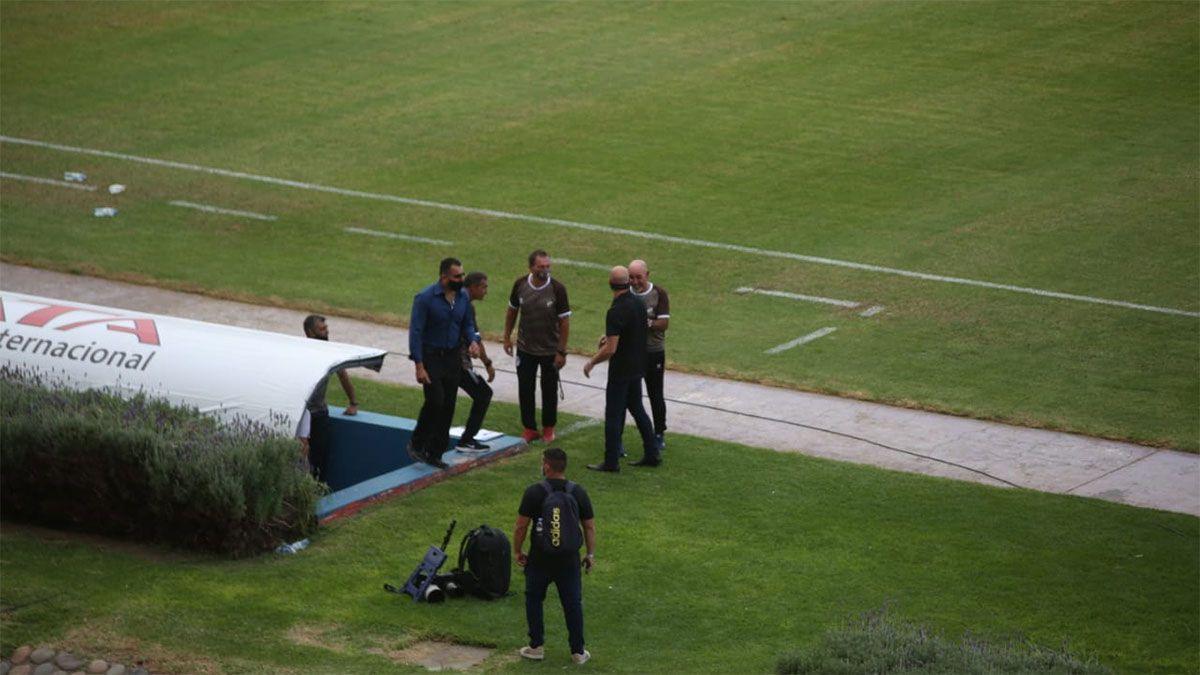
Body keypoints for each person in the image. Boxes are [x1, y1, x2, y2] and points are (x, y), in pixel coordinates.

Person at [513, 447, 595, 665]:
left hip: (540, 558)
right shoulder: (578, 492)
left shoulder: (534, 492)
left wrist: (517, 551)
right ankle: (578, 652)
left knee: (534, 599)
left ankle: (536, 647)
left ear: (547, 466)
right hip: (569, 559)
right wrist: (590, 554)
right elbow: (589, 527)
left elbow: (521, 527)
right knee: (572, 604)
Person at [582, 266, 661, 471]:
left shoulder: (616, 310)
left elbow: (611, 349)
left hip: (621, 371)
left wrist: (591, 362)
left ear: (610, 284)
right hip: (637, 367)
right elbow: (631, 330)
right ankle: (652, 452)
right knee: (638, 410)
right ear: (628, 282)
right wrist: (608, 335)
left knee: (613, 416)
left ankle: (611, 461)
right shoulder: (638, 303)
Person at [408, 257, 481, 469]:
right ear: (444, 277)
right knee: (436, 401)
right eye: (457, 276)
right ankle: (417, 442)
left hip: (452, 357)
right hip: (431, 357)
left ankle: (435, 452)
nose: (462, 279)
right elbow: (416, 332)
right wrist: (419, 365)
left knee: (448, 405)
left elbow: (466, 324)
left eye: (462, 275)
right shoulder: (425, 298)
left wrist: (473, 342)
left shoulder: (462, 299)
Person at [503, 249, 571, 444]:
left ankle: (549, 427)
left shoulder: (558, 289)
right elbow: (512, 311)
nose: (545, 270)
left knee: (549, 389)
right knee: (525, 388)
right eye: (541, 267)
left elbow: (564, 322)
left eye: (548, 266)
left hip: (550, 350)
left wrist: (561, 351)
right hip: (525, 348)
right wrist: (507, 337)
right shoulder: (520, 284)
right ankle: (529, 428)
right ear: (531, 267)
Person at [297, 314, 359, 481]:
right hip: (301, 414)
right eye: (322, 329)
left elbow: (343, 376)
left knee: (320, 459)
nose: (326, 332)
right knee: (300, 458)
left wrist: (353, 402)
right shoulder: (300, 351)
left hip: (319, 415)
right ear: (310, 332)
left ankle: (317, 491)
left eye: (326, 329)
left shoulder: (330, 352)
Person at [628, 259, 670, 448]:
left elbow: (663, 324)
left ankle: (659, 432)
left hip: (653, 352)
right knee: (628, 395)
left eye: (639, 277)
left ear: (647, 275)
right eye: (631, 277)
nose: (635, 281)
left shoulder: (658, 293)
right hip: (632, 352)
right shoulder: (625, 293)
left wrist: (646, 323)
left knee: (655, 394)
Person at [457, 271, 496, 451]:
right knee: (483, 394)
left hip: (452, 362)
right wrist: (487, 364)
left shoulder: (462, 303)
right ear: (472, 287)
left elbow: (475, 338)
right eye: (484, 287)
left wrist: (487, 362)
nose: (486, 291)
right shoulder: (464, 305)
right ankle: (467, 440)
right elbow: (475, 340)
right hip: (458, 364)